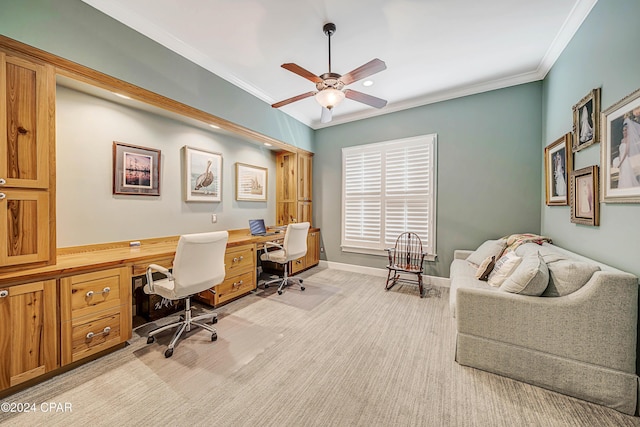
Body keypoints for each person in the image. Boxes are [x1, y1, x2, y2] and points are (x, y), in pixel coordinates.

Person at [616, 121, 640, 188]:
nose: (624, 132)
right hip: (621, 160)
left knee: (627, 174)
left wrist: (621, 162)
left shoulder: (628, 139)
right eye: (623, 130)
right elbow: (620, 152)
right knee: (622, 175)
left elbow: (626, 152)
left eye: (626, 130)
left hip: (625, 160)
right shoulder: (622, 140)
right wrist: (619, 160)